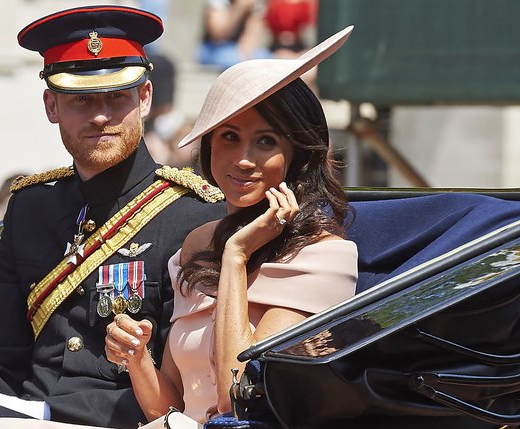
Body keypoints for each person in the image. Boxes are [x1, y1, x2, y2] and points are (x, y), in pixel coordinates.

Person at [0, 5, 224, 429]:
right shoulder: (32, 206)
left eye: (117, 97)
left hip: (121, 420)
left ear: (145, 98)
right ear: (51, 105)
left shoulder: (194, 214)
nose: (100, 116)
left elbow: (191, 381)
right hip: (20, 414)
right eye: (81, 100)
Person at [105, 26, 357, 424]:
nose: (243, 159)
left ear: (297, 152)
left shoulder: (325, 256)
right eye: (229, 136)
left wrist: (236, 257)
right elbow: (169, 406)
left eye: (266, 141)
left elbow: (235, 399)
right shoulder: (198, 243)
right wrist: (136, 358)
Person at [198, 0, 272, 70]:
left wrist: (246, 56)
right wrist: (240, 8)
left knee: (266, 59)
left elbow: (251, 38)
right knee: (234, 60)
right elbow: (219, 35)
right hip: (213, 49)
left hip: (237, 51)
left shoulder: (256, 4)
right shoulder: (218, 3)